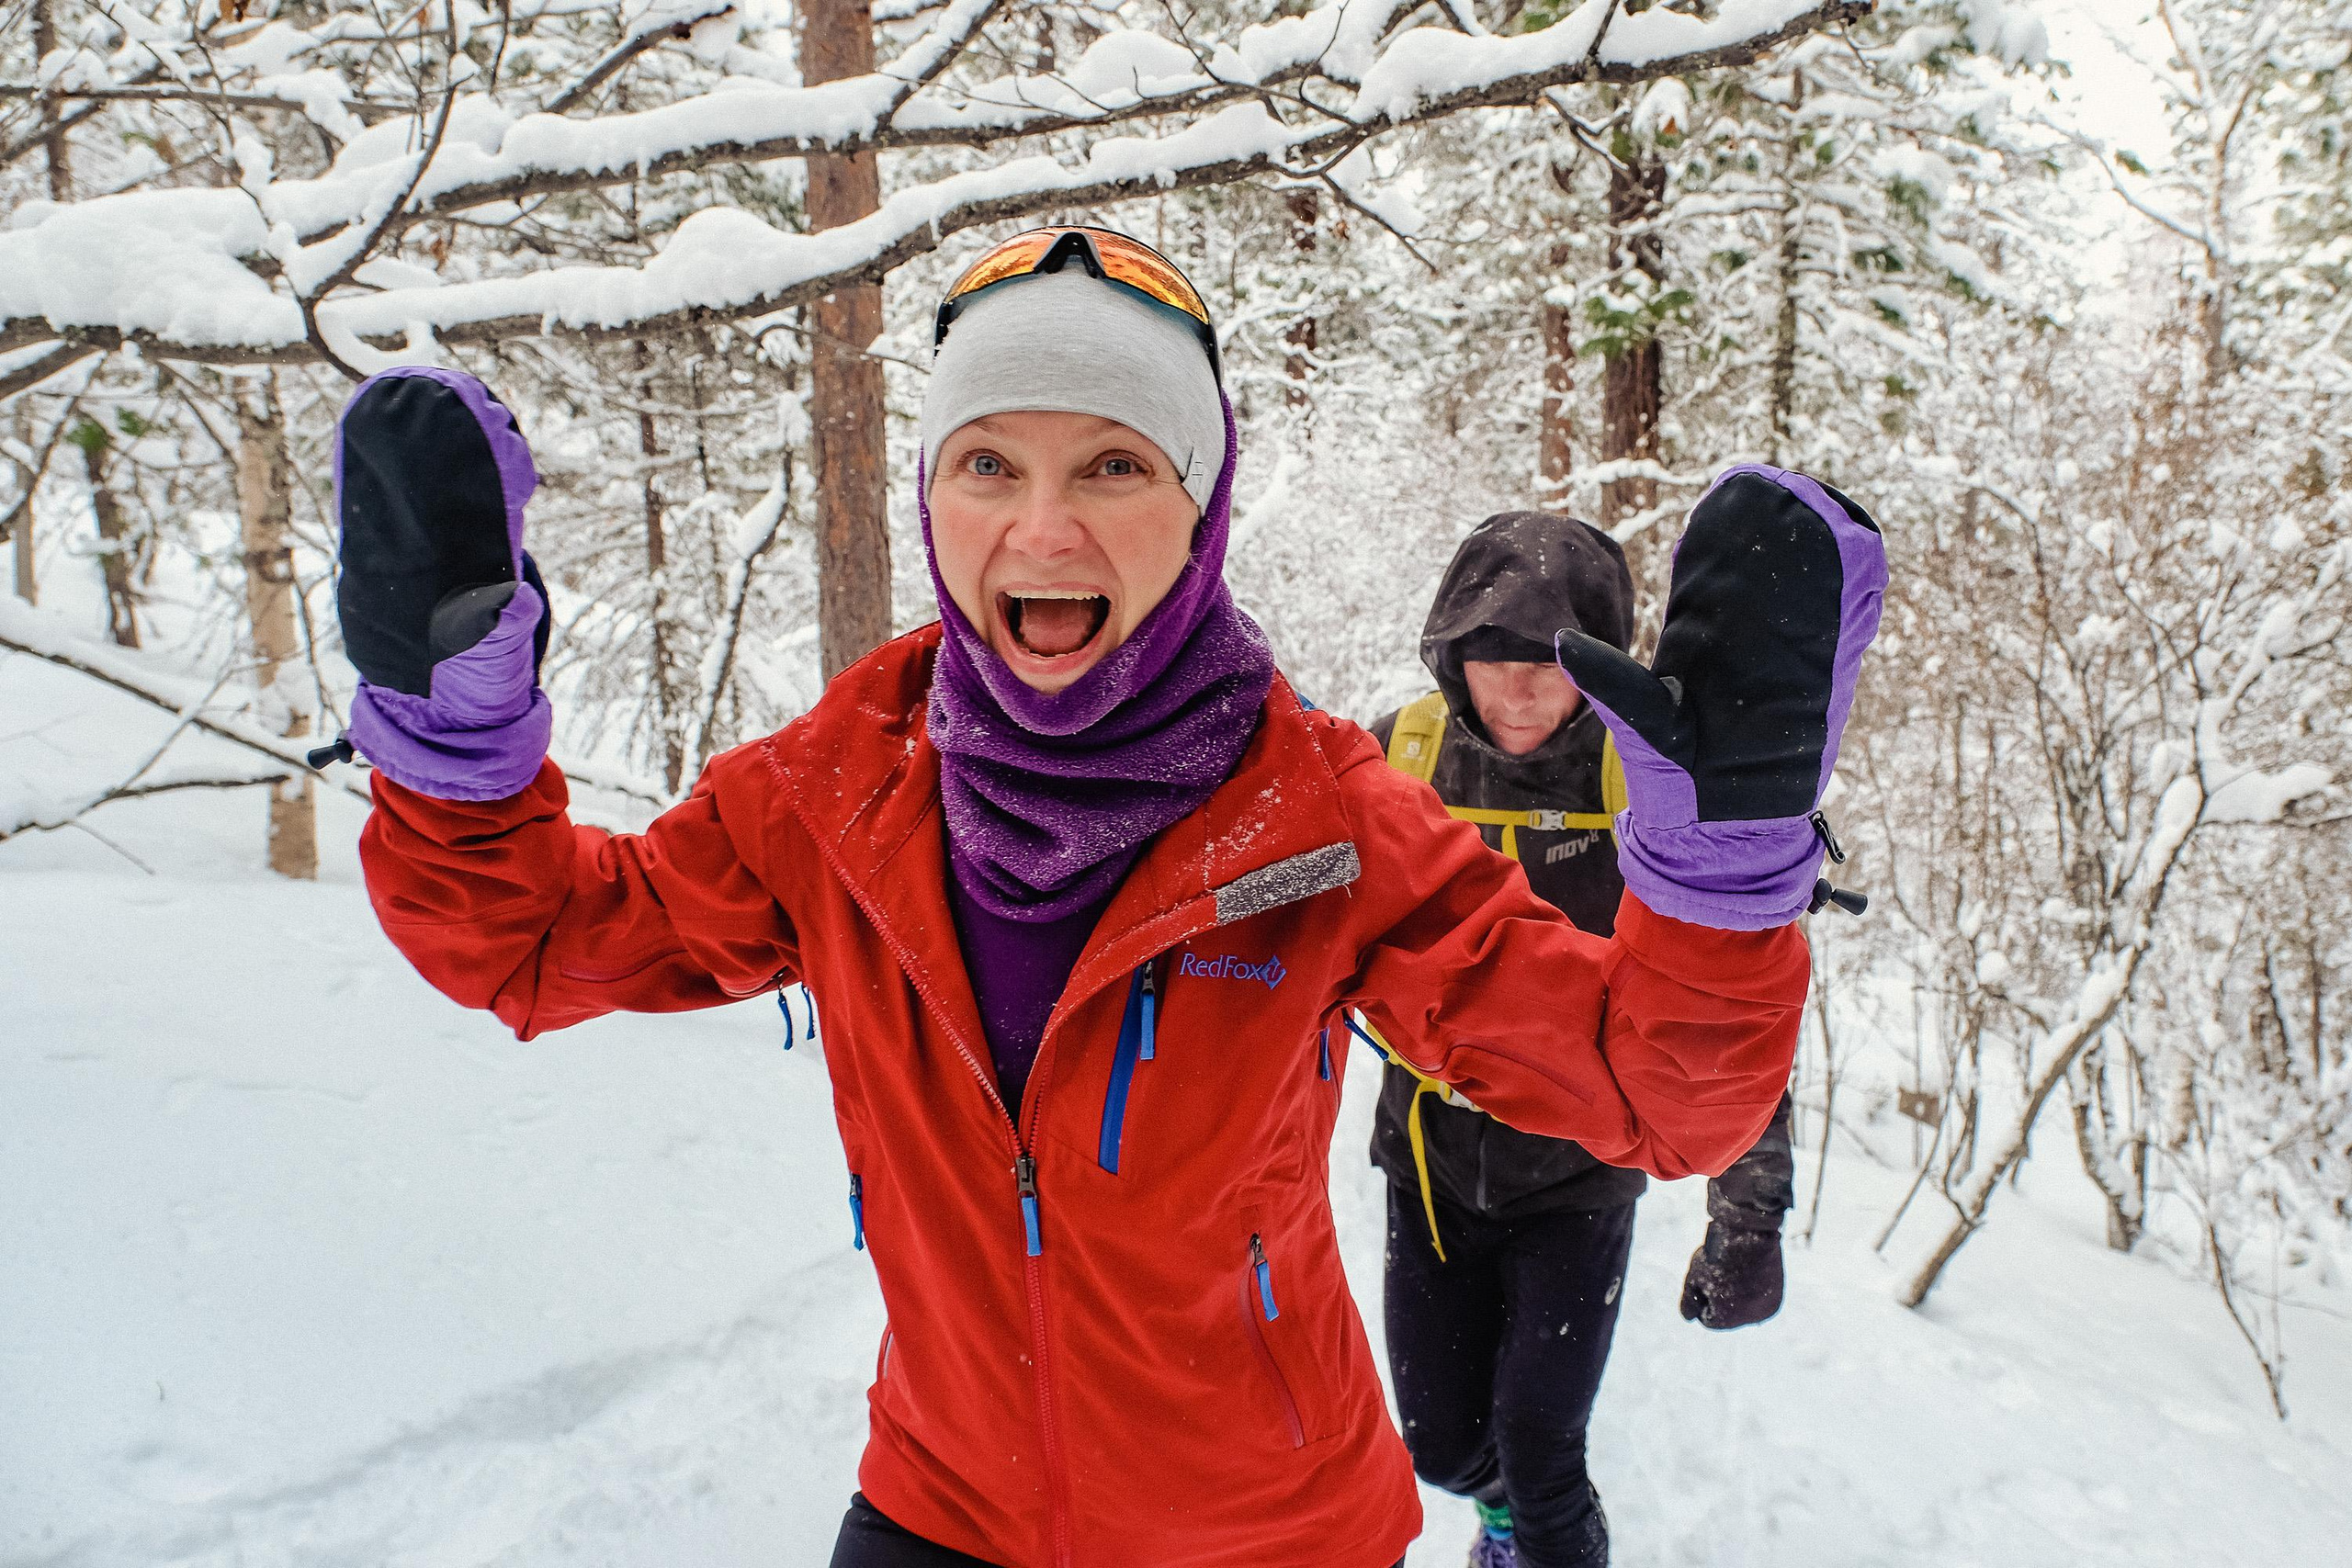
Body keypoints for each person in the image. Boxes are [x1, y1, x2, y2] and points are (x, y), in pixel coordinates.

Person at [325, 226, 1883, 1568]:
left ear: (1198, 508)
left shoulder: (1316, 815)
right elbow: (532, 944)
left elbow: (1651, 1094)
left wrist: (1724, 869)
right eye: (988, 462)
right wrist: (457, 748)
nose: (1045, 528)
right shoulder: (834, 790)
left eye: (1115, 466)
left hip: (1264, 1526)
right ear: (933, 497)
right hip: (943, 1496)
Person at [1364, 513, 1800, 1568]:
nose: (1515, 688)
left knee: (1540, 1442)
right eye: (1489, 658)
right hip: (1427, 1163)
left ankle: (1537, 1536)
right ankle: (1504, 1515)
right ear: (1449, 650)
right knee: (1435, 1441)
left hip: (1581, 1177)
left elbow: (1728, 1025)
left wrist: (1751, 1215)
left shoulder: (1659, 800)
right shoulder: (1396, 758)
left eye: (1546, 663)